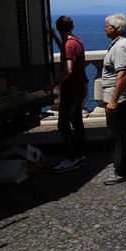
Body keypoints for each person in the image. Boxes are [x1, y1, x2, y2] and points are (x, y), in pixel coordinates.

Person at [102, 13, 126, 185]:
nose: (105, 28)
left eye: (107, 25)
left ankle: (122, 170)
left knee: (118, 135)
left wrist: (113, 101)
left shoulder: (119, 47)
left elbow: (122, 75)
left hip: (120, 98)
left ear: (115, 28)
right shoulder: (125, 44)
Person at [50, 16, 87, 172]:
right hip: (80, 88)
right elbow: (66, 51)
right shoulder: (76, 42)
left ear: (59, 28)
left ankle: (71, 158)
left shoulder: (69, 45)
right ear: (72, 26)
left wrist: (54, 84)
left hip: (71, 90)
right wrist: (55, 37)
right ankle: (80, 154)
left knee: (63, 125)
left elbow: (68, 69)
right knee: (77, 122)